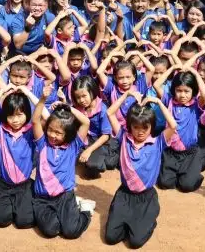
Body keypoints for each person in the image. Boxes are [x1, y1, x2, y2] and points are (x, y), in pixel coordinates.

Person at [105, 92, 178, 248]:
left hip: (146, 198)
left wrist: (159, 102)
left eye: (145, 127)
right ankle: (128, 220)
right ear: (129, 126)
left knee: (135, 242)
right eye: (136, 127)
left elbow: (173, 125)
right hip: (124, 194)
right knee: (111, 238)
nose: (140, 131)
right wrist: (126, 95)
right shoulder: (124, 138)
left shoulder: (158, 142)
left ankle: (148, 220)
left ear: (151, 126)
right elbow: (109, 113)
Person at [31, 84, 94, 239]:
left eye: (58, 133)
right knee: (51, 230)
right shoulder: (43, 143)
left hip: (64, 196)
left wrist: (68, 108)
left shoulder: (73, 146)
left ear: (68, 134)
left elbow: (86, 122)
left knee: (71, 231)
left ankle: (85, 210)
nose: (53, 135)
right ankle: (67, 213)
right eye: (50, 130)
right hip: (43, 198)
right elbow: (35, 121)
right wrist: (43, 99)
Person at [0, 86, 37, 229]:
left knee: (25, 221)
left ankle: (28, 194)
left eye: (20, 115)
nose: (15, 120)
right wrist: (2, 91)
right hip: (4, 184)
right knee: (1, 220)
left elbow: (46, 117)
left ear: (27, 113)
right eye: (11, 116)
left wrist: (28, 93)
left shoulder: (31, 130)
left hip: (24, 184)